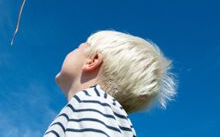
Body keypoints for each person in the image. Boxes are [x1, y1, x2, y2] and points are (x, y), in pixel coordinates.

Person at [45, 30, 177, 136]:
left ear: (92, 61)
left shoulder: (91, 102)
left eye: (79, 47)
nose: (73, 50)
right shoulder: (103, 112)